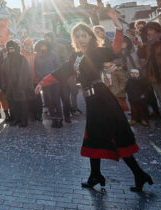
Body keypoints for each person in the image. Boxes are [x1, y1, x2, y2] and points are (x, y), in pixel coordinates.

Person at [36, 13, 153, 192]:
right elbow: (62, 71)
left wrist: (118, 27)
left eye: (84, 35)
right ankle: (99, 175)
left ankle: (136, 174)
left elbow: (114, 50)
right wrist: (42, 83)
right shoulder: (75, 56)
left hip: (101, 97)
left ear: (90, 36)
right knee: (94, 136)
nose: (81, 39)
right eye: (78, 36)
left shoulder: (96, 52)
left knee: (112, 135)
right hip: (92, 100)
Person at [2, 40, 32, 127]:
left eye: (12, 48)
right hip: (10, 87)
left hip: (21, 86)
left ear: (16, 48)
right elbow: (3, 73)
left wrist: (25, 85)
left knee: (22, 104)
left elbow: (27, 73)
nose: (11, 50)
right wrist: (4, 85)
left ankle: (24, 121)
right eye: (9, 48)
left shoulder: (22, 59)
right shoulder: (7, 60)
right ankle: (15, 119)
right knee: (13, 105)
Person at [34, 40, 63, 128]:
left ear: (47, 46)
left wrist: (54, 76)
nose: (43, 47)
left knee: (56, 100)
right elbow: (36, 69)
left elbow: (58, 66)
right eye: (41, 45)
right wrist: (42, 78)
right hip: (45, 82)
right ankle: (53, 119)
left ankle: (59, 119)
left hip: (55, 80)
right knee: (49, 101)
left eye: (44, 45)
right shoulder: (37, 56)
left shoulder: (53, 54)